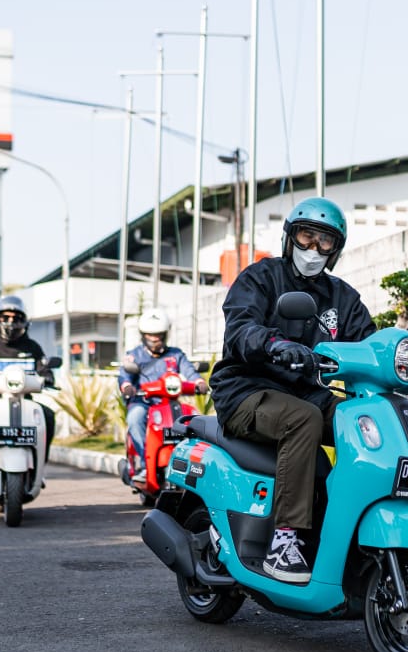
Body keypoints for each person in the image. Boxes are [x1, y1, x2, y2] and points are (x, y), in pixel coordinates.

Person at [209, 197, 383, 584]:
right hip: (246, 390)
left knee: (365, 420)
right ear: (290, 237)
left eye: (325, 242)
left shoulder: (343, 298)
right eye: (307, 235)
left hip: (307, 394)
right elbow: (241, 329)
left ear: (335, 250)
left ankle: (351, 527)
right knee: (302, 420)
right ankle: (283, 542)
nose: (313, 249)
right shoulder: (260, 278)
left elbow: (368, 342)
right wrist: (273, 344)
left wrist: (405, 365)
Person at [0, 295, 56, 485]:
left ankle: (40, 465)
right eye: (5, 317)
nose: (10, 322)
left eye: (15, 318)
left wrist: (47, 377)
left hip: (25, 400)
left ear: (24, 320)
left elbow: (43, 368)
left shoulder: (32, 348)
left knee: (48, 416)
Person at [119, 308, 207, 484]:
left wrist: (199, 382)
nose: (155, 338)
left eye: (159, 334)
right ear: (143, 335)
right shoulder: (134, 356)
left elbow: (189, 371)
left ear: (165, 334)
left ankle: (196, 465)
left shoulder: (175, 355)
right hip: (144, 402)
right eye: (150, 335)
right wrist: (127, 386)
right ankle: (144, 465)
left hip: (170, 403)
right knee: (135, 419)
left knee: (196, 419)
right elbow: (125, 375)